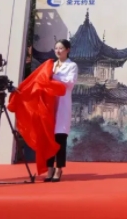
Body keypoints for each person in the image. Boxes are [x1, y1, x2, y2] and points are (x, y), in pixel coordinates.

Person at [45, 39, 78, 183]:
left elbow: (69, 83)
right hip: (49, 104)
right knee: (49, 137)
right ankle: (49, 168)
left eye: (61, 48)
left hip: (63, 104)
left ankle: (58, 168)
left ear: (68, 50)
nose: (58, 51)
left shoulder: (72, 66)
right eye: (56, 48)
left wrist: (53, 78)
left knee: (60, 137)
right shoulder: (50, 65)